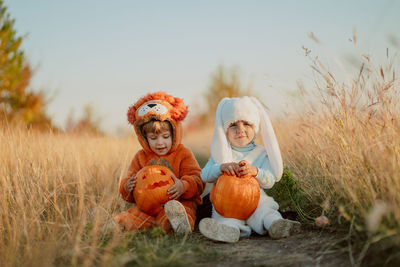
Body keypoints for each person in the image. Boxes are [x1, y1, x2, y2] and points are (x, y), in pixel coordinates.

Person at [199, 96, 300, 242]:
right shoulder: (221, 153)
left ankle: (276, 225)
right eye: (233, 125)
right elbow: (204, 175)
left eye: (246, 123)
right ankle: (230, 231)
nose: (240, 129)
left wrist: (256, 172)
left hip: (255, 200)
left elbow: (270, 180)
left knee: (266, 210)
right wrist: (221, 167)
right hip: (228, 203)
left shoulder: (261, 153)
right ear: (225, 130)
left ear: (255, 127)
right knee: (225, 218)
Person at [114, 92, 205, 235]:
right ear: (144, 138)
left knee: (181, 210)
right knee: (135, 215)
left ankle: (177, 224)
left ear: (174, 133)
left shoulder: (183, 153)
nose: (160, 142)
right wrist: (127, 187)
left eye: (165, 136)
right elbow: (127, 184)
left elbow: (198, 179)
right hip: (148, 207)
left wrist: (184, 186)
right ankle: (117, 224)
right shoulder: (140, 157)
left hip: (179, 202)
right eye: (153, 138)